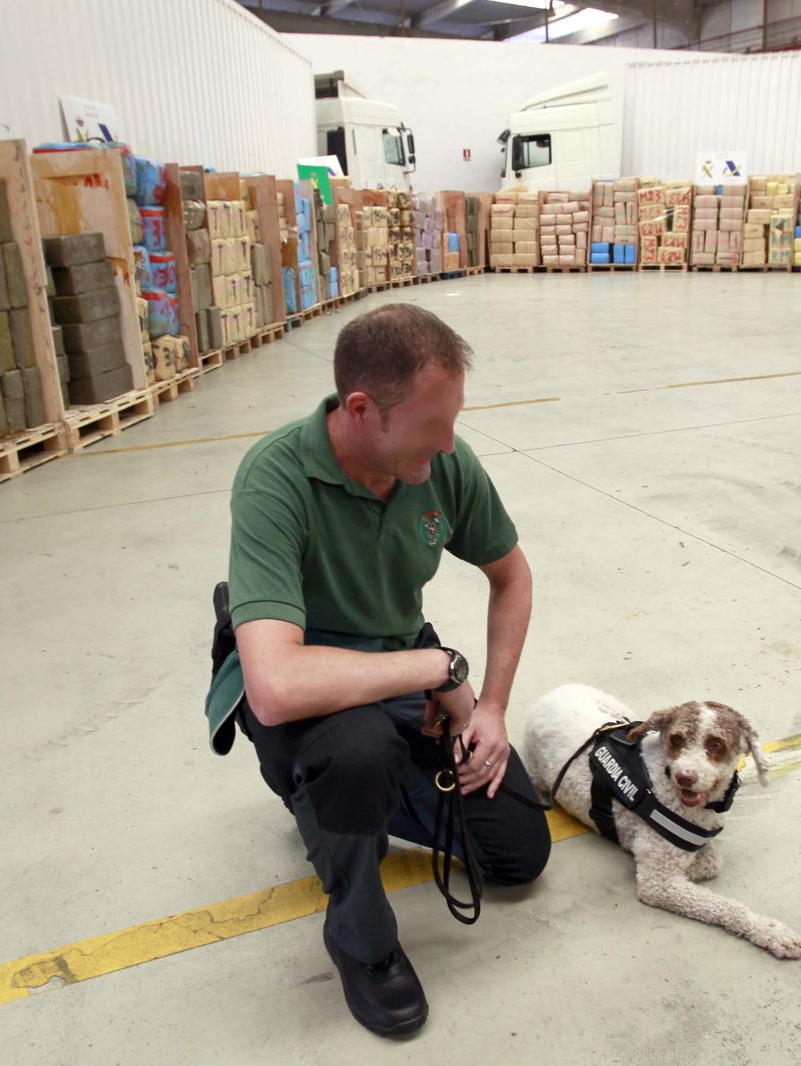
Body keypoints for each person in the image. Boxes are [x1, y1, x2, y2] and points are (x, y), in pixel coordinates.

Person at [205, 304, 549, 1036]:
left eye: (452, 420)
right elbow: (277, 686)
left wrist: (489, 707)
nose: (448, 442)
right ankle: (362, 939)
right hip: (310, 678)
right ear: (361, 410)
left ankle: (329, 807)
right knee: (357, 754)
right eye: (431, 424)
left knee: (517, 851)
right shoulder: (275, 478)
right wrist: (437, 668)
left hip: (396, 657)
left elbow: (512, 576)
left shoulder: (441, 463)